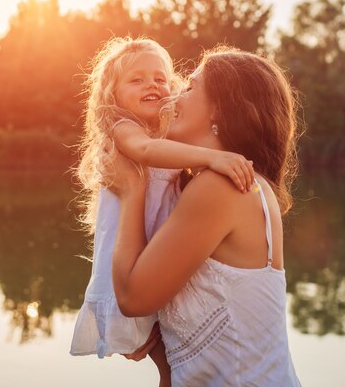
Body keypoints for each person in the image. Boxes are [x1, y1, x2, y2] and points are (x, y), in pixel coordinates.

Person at [109, 46, 302, 386]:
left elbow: (130, 297)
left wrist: (132, 190)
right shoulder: (226, 185)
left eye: (190, 87)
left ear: (220, 110)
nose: (175, 94)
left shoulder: (221, 188)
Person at [69, 37, 254, 385]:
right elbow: (146, 150)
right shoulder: (124, 129)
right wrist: (213, 157)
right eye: (136, 79)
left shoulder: (167, 133)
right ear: (112, 95)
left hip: (154, 258)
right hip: (130, 263)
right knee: (169, 362)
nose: (152, 85)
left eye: (159, 77)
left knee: (173, 363)